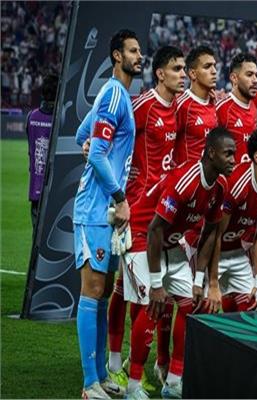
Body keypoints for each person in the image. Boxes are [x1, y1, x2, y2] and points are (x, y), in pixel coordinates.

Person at [125, 127, 235, 399]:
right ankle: (133, 385)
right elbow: (154, 229)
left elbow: (210, 233)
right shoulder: (185, 181)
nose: (234, 159)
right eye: (228, 154)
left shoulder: (220, 186)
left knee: (192, 304)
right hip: (141, 235)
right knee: (153, 304)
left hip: (171, 242)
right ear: (211, 153)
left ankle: (173, 381)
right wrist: (156, 284)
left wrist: (199, 280)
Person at [106, 45, 186, 392]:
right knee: (136, 294)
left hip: (163, 214)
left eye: (184, 69)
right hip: (137, 212)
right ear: (160, 74)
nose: (182, 75)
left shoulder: (179, 108)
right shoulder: (142, 105)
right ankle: (118, 367)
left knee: (139, 293)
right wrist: (120, 194)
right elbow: (107, 136)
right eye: (176, 69)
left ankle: (128, 365)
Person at [72, 29, 142, 399]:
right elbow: (97, 153)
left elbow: (83, 135)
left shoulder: (116, 95)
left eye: (139, 51)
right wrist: (120, 197)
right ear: (117, 55)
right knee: (93, 291)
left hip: (107, 211)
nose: (138, 56)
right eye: (132, 51)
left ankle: (100, 375)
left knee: (101, 295)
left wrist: (90, 145)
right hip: (96, 208)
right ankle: (89, 384)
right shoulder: (115, 94)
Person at [217, 127, 257, 312]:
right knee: (204, 307)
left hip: (236, 251)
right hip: (211, 250)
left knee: (254, 303)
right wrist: (212, 281)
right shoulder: (237, 185)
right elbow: (215, 235)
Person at [174, 46, 219, 165]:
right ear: (193, 74)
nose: (214, 71)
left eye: (214, 66)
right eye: (207, 66)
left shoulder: (214, 103)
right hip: (187, 175)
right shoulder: (181, 105)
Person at [26, 73, 57, 230]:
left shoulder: (31, 117)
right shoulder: (59, 119)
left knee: (36, 234)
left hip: (35, 186)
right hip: (55, 188)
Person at [216, 53, 257, 163]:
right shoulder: (221, 109)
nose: (255, 80)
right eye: (249, 75)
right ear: (234, 78)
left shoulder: (256, 107)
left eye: (256, 75)